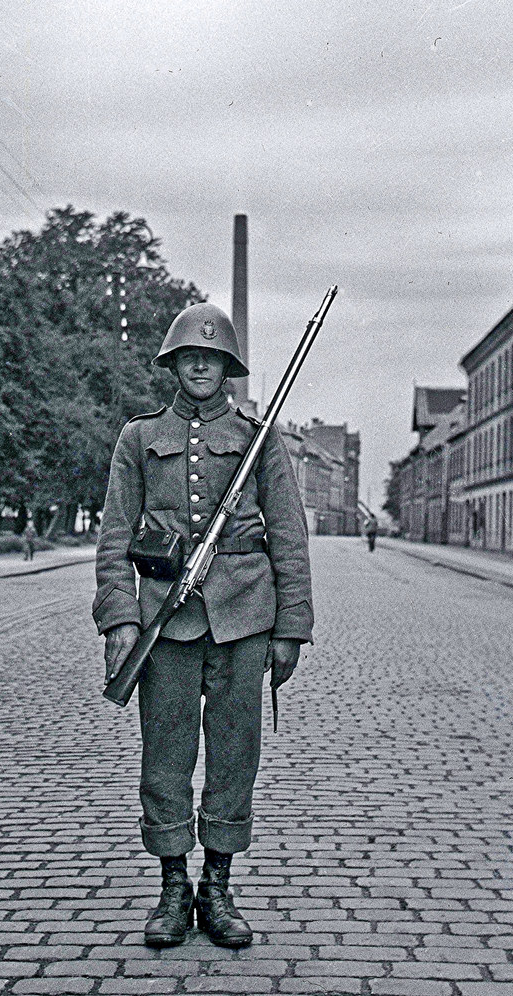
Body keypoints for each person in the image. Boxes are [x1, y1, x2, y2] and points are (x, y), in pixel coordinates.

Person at [93, 302, 313, 948]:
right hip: (167, 622)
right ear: (172, 363)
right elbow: (113, 537)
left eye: (211, 358)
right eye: (190, 355)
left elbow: (290, 537)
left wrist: (290, 626)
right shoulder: (138, 437)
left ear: (227, 367)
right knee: (165, 758)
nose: (200, 365)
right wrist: (120, 621)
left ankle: (217, 887)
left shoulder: (258, 436)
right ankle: (172, 887)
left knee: (235, 757)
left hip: (246, 616)